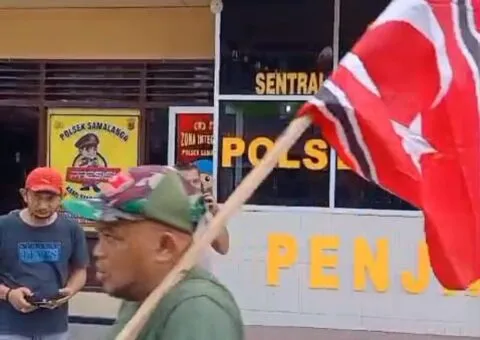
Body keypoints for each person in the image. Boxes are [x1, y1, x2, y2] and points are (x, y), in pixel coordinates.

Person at [63, 165, 244, 340]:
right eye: (100, 235)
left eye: (111, 237)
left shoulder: (198, 311)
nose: (97, 251)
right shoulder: (138, 293)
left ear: (165, 247)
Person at [0, 167, 89, 339]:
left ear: (61, 197)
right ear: (24, 195)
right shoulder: (4, 227)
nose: (43, 206)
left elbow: (80, 270)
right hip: (9, 327)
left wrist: (71, 289)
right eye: (37, 197)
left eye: (50, 199)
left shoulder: (72, 229)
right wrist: (9, 294)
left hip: (55, 327)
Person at [176, 161, 230, 256]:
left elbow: (223, 248)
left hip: (199, 270)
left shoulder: (204, 212)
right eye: (186, 183)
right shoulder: (167, 212)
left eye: (195, 181)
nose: (192, 186)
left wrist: (216, 213)